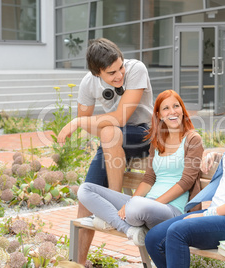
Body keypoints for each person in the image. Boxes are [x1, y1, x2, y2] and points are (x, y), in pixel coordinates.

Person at [144, 82, 225, 268]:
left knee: (177, 232)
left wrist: (207, 214)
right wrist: (215, 155)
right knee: (153, 238)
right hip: (215, 211)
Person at [57, 38, 153, 265]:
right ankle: (78, 263)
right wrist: (84, 123)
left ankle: (115, 207)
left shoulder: (136, 69)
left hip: (144, 134)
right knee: (84, 197)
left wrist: (77, 123)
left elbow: (120, 118)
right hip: (112, 140)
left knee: (109, 130)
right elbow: (94, 126)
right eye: (112, 73)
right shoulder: (88, 84)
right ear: (97, 72)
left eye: (120, 67)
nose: (119, 75)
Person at [77, 89, 204, 248]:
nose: (172, 112)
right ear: (159, 115)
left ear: (183, 110)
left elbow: (186, 182)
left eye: (176, 106)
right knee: (85, 190)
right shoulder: (157, 141)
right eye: (166, 108)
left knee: (136, 208)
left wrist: (148, 204)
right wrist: (130, 202)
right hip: (145, 205)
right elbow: (149, 179)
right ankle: (130, 230)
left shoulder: (193, 139)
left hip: (172, 210)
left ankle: (112, 219)